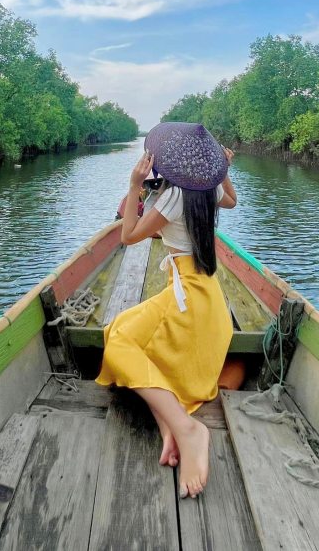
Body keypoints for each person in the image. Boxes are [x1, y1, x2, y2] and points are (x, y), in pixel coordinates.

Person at [95, 122, 237, 499]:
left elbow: (128, 236)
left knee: (119, 342)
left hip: (186, 296)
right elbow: (232, 201)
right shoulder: (211, 187)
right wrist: (224, 172)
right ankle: (168, 427)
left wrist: (134, 186)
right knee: (120, 329)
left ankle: (188, 429)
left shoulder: (173, 197)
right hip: (208, 295)